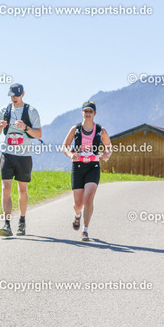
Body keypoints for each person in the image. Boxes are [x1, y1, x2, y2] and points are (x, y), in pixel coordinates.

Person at [0, 83, 42, 236]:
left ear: (23, 94)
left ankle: (22, 220)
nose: (14, 98)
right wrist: (0, 127)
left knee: (22, 190)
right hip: (7, 154)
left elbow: (39, 135)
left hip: (24, 156)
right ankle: (7, 224)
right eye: (12, 95)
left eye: (17, 95)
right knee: (5, 188)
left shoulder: (31, 111)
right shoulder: (4, 110)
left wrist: (25, 127)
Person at [62, 101, 112, 241]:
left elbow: (109, 146)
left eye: (90, 111)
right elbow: (64, 146)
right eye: (86, 111)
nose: (88, 114)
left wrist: (107, 154)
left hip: (93, 166)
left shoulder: (100, 130)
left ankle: (85, 230)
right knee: (78, 204)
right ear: (82, 113)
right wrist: (71, 155)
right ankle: (77, 215)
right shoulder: (75, 129)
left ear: (94, 113)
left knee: (88, 198)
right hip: (78, 167)